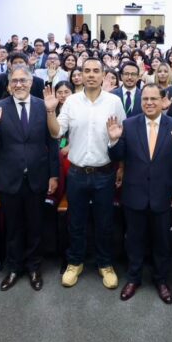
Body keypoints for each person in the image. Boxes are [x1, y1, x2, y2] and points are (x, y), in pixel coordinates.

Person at [45, 57, 127, 289]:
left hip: (105, 172)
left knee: (105, 222)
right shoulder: (71, 101)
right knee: (76, 221)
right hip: (77, 173)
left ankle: (105, 264)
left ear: (103, 75)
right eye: (86, 71)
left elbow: (121, 136)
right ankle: (75, 262)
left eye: (95, 71)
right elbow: (56, 133)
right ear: (80, 74)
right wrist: (51, 111)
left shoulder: (114, 102)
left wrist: (121, 167)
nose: (90, 74)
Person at [106, 84, 172, 303]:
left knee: (162, 241)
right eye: (145, 99)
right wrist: (114, 140)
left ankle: (161, 280)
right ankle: (133, 278)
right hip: (135, 195)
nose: (149, 103)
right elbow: (118, 156)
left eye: (154, 98)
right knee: (134, 240)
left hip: (164, 195)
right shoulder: (129, 124)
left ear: (164, 101)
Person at [0, 66, 59, 292]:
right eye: (14, 81)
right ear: (8, 85)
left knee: (35, 225)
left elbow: (53, 142)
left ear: (31, 83)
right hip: (9, 178)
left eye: (23, 80)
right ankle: (15, 267)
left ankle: (34, 267)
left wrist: (54, 173)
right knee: (13, 227)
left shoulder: (43, 106)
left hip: (37, 177)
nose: (19, 84)